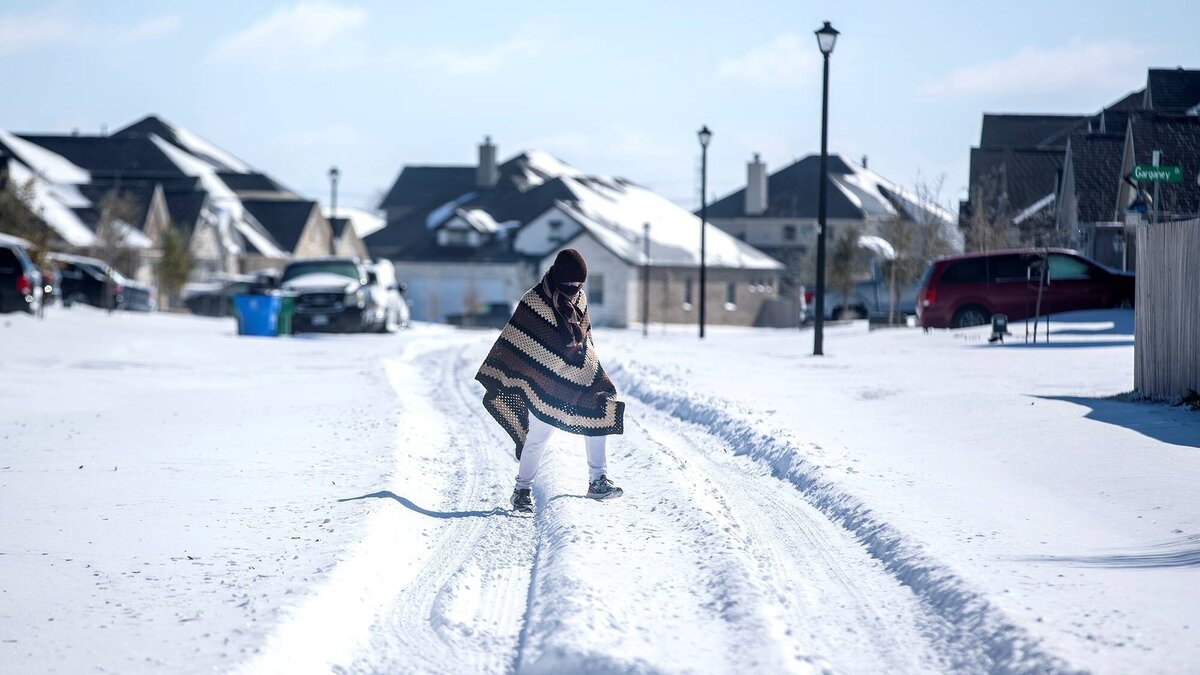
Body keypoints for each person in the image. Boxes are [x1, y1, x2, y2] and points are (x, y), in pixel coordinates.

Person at [475, 248, 625, 513]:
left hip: (578, 375)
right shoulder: (534, 300)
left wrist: (588, 365)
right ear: (558, 278)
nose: (574, 289)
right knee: (538, 437)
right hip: (543, 381)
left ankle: (597, 480)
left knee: (600, 410)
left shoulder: (580, 298)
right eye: (570, 284)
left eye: (579, 285)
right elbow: (519, 340)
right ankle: (522, 490)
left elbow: (585, 338)